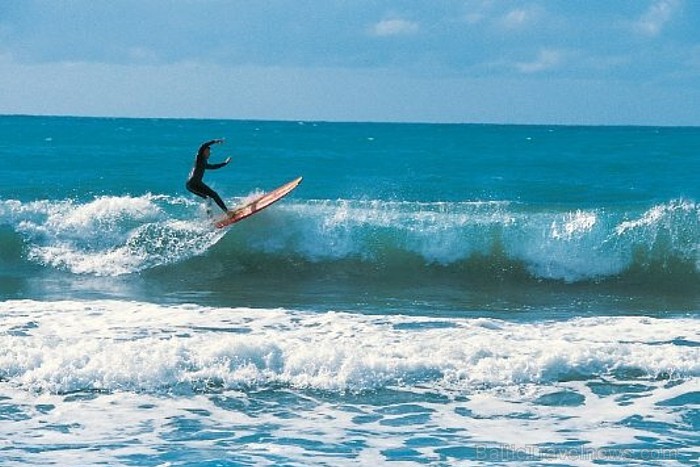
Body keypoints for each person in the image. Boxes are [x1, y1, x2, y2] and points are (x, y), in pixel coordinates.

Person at [186, 139, 232, 214]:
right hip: (192, 183)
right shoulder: (199, 158)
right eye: (208, 152)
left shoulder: (204, 163)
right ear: (203, 152)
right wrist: (215, 141)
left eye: (210, 152)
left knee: (209, 198)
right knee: (212, 195)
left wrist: (225, 163)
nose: (209, 153)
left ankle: (211, 219)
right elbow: (203, 146)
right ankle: (227, 212)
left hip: (196, 184)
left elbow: (213, 166)